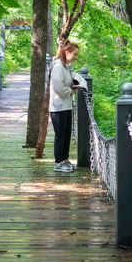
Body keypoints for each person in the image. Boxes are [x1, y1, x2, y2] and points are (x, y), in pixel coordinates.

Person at [49, 41, 81, 172]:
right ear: (66, 53)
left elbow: (67, 81)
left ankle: (65, 159)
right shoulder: (58, 67)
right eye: (74, 54)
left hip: (66, 105)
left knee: (67, 134)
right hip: (58, 107)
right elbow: (58, 87)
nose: (76, 57)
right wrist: (71, 91)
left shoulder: (66, 67)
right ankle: (58, 162)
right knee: (60, 135)